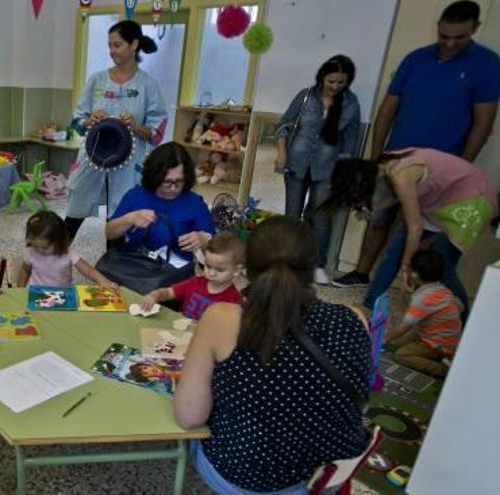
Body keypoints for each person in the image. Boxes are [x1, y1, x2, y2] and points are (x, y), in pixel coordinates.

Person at [175, 216, 372, 494]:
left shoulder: (222, 318)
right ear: (312, 267)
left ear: (246, 270)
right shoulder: (354, 318)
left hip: (241, 477)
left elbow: (189, 417)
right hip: (323, 475)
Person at [333, 0, 500, 288]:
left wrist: (461, 165)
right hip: (398, 159)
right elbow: (387, 109)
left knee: (421, 236)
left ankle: (420, 288)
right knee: (379, 219)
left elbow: (483, 122)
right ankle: (362, 273)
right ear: (437, 28)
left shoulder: (486, 64)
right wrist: (376, 160)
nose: (449, 44)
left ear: (475, 29)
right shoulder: (415, 59)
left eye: (458, 38)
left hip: (434, 175)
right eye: (444, 36)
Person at [320, 148, 498, 312]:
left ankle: (466, 323)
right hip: (440, 199)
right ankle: (369, 306)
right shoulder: (386, 168)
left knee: (442, 267)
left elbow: (415, 228)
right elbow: (391, 203)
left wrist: (407, 266)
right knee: (393, 253)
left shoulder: (399, 176)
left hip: (471, 198)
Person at [64, 20, 168, 241]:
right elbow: (76, 120)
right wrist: (89, 121)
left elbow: (156, 132)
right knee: (74, 214)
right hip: (92, 158)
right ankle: (52, 264)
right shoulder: (97, 81)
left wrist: (135, 127)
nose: (112, 51)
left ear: (134, 45)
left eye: (117, 45)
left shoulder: (148, 85)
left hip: (128, 164)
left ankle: (114, 269)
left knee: (121, 218)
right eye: (109, 45)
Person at [274, 55, 361, 285]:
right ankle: (287, 261)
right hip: (296, 162)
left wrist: (341, 175)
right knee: (292, 214)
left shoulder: (351, 104)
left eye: (341, 82)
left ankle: (318, 265)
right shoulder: (305, 96)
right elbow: (284, 125)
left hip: (327, 169)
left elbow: (350, 142)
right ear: (322, 77)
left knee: (320, 217)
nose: (335, 87)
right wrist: (282, 152)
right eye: (331, 81)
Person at [105, 142, 214, 262]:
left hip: (174, 273)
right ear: (155, 176)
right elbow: (109, 233)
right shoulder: (136, 195)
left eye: (179, 181)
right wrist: (130, 219)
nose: (173, 188)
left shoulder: (195, 203)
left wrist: (204, 238)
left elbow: (215, 244)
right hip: (134, 266)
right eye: (167, 182)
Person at [384, 250, 462, 378]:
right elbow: (459, 306)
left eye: (409, 269)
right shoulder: (441, 289)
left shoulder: (423, 298)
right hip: (445, 339)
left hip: (439, 346)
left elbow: (405, 325)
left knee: (402, 354)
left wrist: (383, 339)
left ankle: (443, 370)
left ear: (414, 275)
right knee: (397, 342)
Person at [139, 232, 244, 321]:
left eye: (219, 270)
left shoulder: (234, 301)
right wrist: (154, 296)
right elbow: (168, 292)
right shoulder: (195, 283)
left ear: (236, 270)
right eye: (208, 266)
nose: (211, 273)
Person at [17, 210, 116, 288]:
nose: (39, 250)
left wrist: (103, 281)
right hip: (36, 294)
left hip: (62, 294)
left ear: (59, 241)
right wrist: (19, 289)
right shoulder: (30, 252)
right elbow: (25, 270)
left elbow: (88, 270)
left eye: (45, 247)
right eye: (35, 245)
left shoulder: (67, 253)